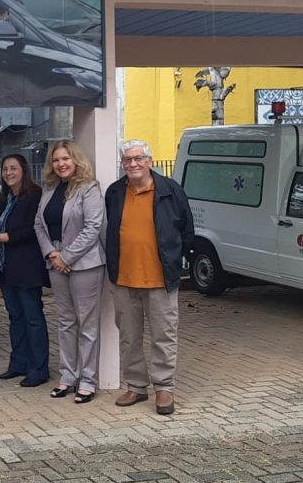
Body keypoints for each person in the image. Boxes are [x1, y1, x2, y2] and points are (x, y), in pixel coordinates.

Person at [104, 139, 194, 416]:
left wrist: (176, 260)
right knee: (129, 337)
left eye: (138, 158)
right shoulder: (114, 192)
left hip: (160, 279)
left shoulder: (170, 190)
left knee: (163, 335)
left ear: (149, 161)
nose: (132, 164)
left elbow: (187, 229)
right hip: (124, 278)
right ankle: (136, 386)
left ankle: (164, 387)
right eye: (127, 160)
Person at [34, 140, 106, 404]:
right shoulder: (49, 188)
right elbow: (38, 225)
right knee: (65, 323)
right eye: (55, 160)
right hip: (55, 263)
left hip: (85, 265)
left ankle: (87, 381)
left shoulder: (89, 188)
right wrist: (52, 254)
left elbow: (93, 228)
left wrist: (66, 256)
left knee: (87, 325)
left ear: (75, 160)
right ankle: (68, 377)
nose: (60, 164)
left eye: (65, 158)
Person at [0, 154, 50, 387]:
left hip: (27, 268)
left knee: (33, 318)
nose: (8, 173)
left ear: (23, 170)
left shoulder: (35, 196)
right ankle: (19, 363)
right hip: (6, 267)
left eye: (13, 168)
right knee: (15, 317)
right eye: (5, 169)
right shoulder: (5, 198)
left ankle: (38, 369)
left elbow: (32, 230)